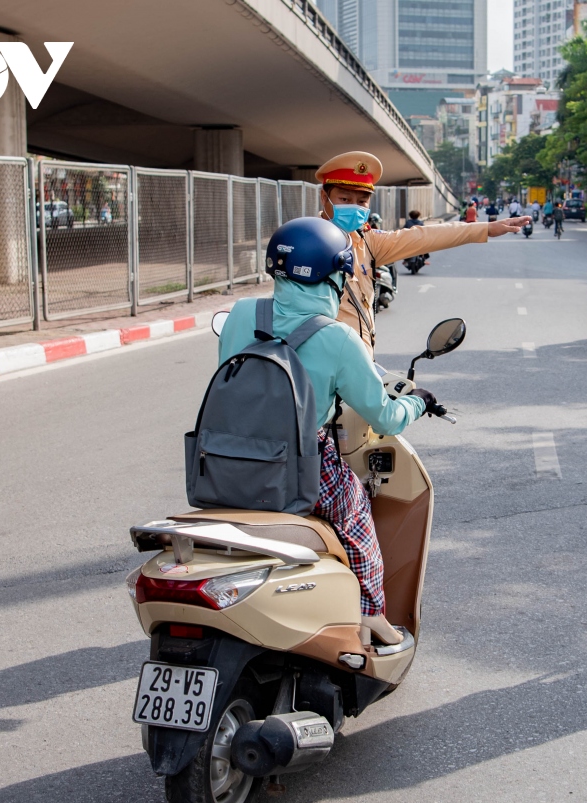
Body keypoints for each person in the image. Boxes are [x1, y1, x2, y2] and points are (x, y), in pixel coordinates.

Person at [218, 217, 432, 646]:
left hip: (225, 460)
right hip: (302, 467)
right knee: (357, 521)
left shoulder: (240, 315)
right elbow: (387, 418)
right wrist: (418, 401)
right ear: (332, 277)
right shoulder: (338, 339)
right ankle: (372, 617)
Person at [315, 151, 528, 351]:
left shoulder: (367, 241)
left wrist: (486, 228)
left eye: (362, 201)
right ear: (325, 198)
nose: (354, 207)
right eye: (344, 200)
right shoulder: (308, 243)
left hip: (361, 364)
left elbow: (423, 236)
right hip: (326, 369)